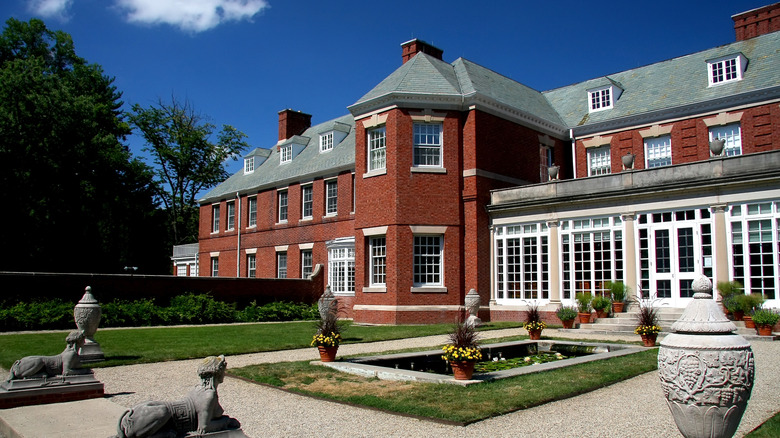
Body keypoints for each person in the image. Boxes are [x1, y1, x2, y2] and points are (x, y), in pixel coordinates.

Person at [116, 355, 240, 438]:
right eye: (224, 370)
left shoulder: (197, 389)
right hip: (167, 415)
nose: (225, 373)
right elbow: (204, 428)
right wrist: (227, 421)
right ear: (218, 372)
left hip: (154, 412)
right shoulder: (209, 395)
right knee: (162, 411)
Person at [6, 330, 90, 381]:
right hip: (40, 363)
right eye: (83, 339)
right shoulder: (70, 354)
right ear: (78, 340)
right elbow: (66, 372)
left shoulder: (72, 353)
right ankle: (27, 375)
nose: (84, 342)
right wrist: (85, 371)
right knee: (39, 361)